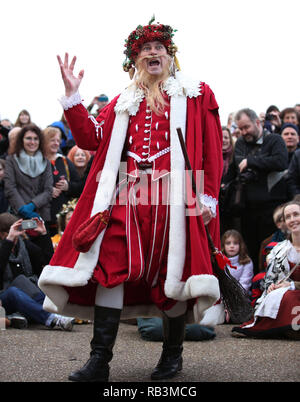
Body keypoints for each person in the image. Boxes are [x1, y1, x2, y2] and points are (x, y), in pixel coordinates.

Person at [38, 18, 223, 382]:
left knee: (175, 274)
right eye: (145, 49)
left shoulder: (197, 93)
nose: (153, 52)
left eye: (159, 48)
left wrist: (208, 197)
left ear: (170, 56)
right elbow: (91, 139)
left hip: (175, 197)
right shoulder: (123, 100)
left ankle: (172, 357)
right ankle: (99, 362)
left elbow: (213, 152)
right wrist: (73, 97)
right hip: (128, 196)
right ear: (135, 60)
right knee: (109, 267)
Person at [223, 108, 289, 273]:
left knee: (271, 249)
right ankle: (254, 285)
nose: (244, 132)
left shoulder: (274, 140)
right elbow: (235, 169)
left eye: (247, 127)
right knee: (251, 250)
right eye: (241, 129)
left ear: (257, 122)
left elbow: (280, 162)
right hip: (247, 208)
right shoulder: (240, 143)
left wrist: (251, 161)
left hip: (271, 208)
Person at [232, 200, 300, 339]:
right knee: (280, 295)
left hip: (294, 292)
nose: (292, 220)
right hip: (287, 293)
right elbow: (272, 278)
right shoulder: (278, 249)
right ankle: (288, 327)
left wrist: (293, 285)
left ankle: (288, 327)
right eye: (288, 217)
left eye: (296, 214)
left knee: (289, 296)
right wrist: (272, 286)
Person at [0, 213, 74, 330]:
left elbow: (48, 262)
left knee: (26, 282)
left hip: (28, 295)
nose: (15, 237)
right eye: (10, 233)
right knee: (15, 289)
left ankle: (20, 316)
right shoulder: (5, 246)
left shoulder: (23, 245)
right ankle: (51, 319)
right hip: (4, 298)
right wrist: (8, 241)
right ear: (2, 234)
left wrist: (43, 234)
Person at [43, 126, 80, 236]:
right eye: (52, 140)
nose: (56, 143)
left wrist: (68, 186)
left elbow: (79, 186)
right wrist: (48, 191)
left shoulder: (64, 161)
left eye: (58, 140)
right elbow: (29, 187)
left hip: (63, 221)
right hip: (44, 218)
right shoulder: (38, 161)